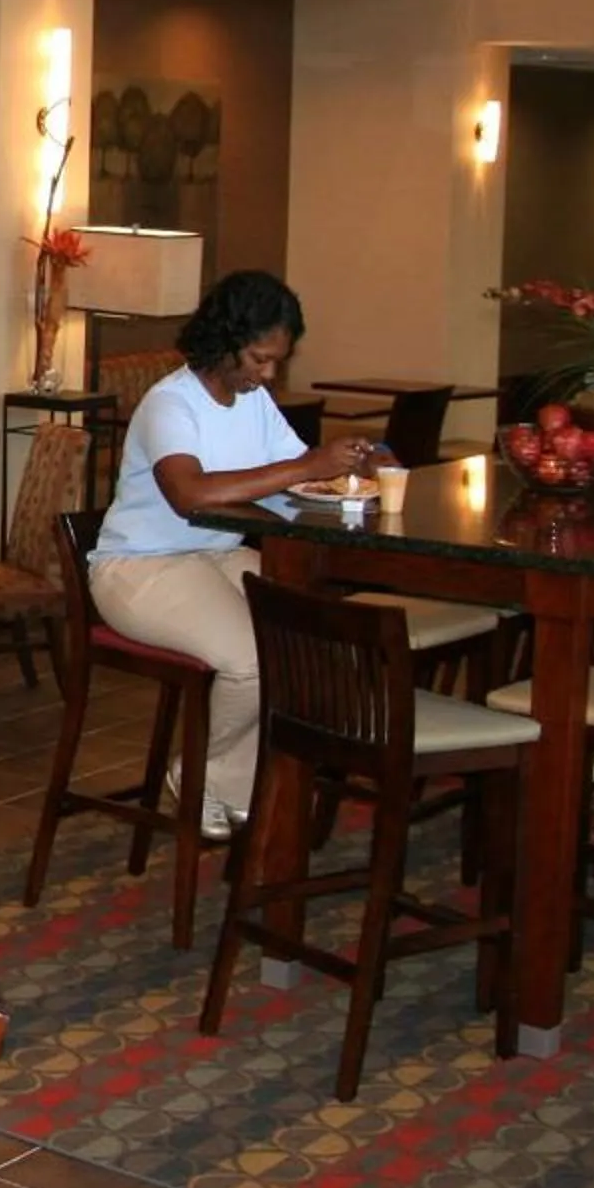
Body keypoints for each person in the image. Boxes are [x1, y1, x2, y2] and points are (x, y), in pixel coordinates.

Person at [86, 270, 379, 840]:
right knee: (250, 658)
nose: (267, 373)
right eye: (258, 358)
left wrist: (351, 469)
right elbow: (190, 493)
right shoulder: (170, 403)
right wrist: (309, 466)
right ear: (223, 341)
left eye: (276, 362)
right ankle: (205, 780)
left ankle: (232, 781)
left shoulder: (254, 402)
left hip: (213, 557)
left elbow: (295, 478)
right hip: (140, 567)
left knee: (315, 635)